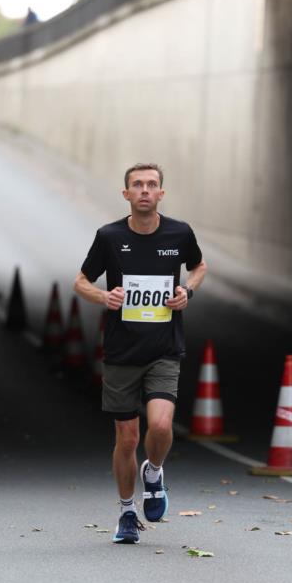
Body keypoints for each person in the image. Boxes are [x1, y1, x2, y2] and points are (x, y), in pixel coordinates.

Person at [74, 163, 207, 544]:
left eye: (151, 185)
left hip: (164, 348)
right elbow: (80, 281)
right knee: (128, 438)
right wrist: (104, 296)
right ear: (126, 194)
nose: (145, 190)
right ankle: (127, 512)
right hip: (121, 352)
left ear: (161, 193)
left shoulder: (179, 233)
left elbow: (199, 266)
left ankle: (154, 472)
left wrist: (187, 291)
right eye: (137, 185)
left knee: (161, 426)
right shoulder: (110, 236)